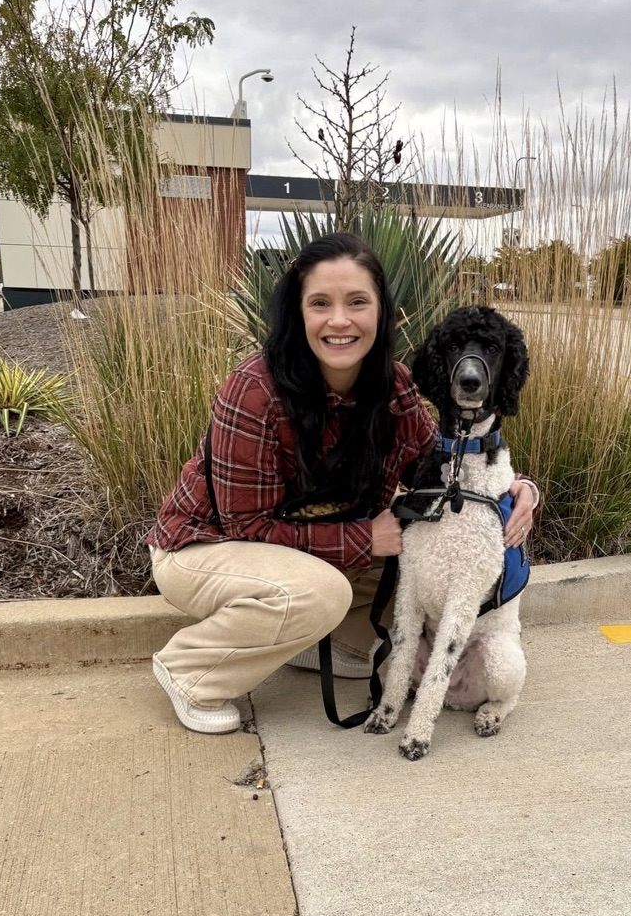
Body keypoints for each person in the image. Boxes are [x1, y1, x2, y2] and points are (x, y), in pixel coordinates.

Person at [146, 232, 538, 734]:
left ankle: (333, 644)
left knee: (429, 555)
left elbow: (443, 465)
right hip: (204, 549)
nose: (339, 320)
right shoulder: (255, 389)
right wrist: (362, 539)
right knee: (325, 591)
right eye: (320, 304)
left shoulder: (393, 387)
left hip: (305, 551)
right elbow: (244, 525)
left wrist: (521, 489)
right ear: (298, 313)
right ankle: (189, 669)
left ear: (381, 311)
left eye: (357, 302)